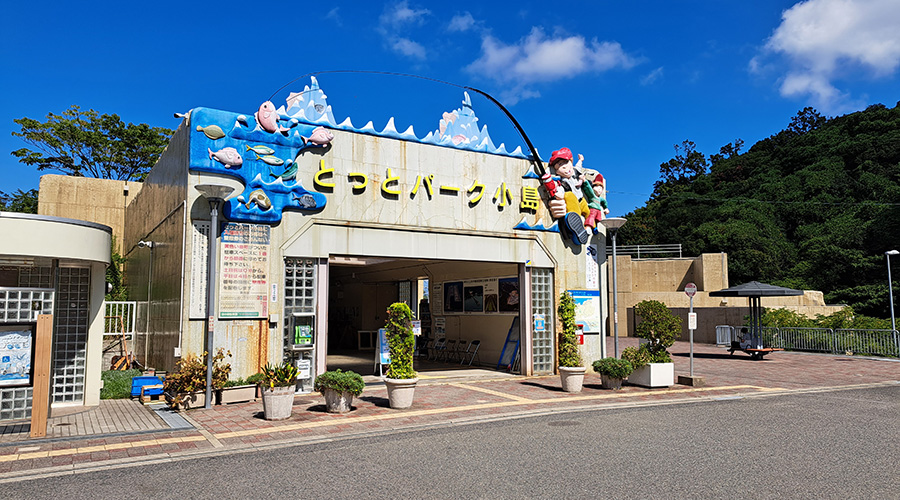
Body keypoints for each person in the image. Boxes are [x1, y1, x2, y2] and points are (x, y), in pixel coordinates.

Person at [541, 147, 590, 244]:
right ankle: (576, 226)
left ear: (571, 162)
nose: (565, 167)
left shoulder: (575, 172)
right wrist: (559, 194)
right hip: (574, 203)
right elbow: (560, 191)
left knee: (589, 213)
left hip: (582, 201)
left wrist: (580, 160)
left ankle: (588, 227)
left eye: (566, 163)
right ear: (556, 171)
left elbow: (578, 166)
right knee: (570, 198)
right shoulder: (563, 183)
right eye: (560, 165)